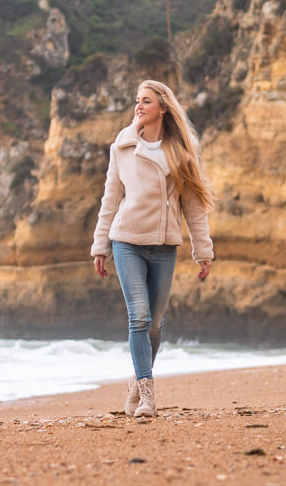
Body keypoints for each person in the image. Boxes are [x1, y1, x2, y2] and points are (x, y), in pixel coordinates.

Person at [91, 79, 214, 418]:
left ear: (163, 107)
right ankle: (147, 394)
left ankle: (135, 382)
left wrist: (203, 250)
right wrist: (100, 245)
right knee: (140, 316)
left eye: (146, 101)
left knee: (155, 324)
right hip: (126, 241)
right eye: (137, 101)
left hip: (163, 247)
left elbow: (193, 204)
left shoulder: (180, 151)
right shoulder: (123, 145)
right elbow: (111, 197)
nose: (138, 106)